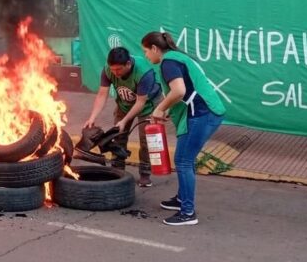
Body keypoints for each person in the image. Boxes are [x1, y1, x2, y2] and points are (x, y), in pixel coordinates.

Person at [141, 31, 226, 226]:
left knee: (183, 160)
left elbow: (179, 90)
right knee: (186, 159)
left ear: (155, 49)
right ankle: (181, 200)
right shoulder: (178, 57)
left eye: (146, 51)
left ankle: (187, 212)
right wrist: (169, 109)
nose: (146, 56)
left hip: (202, 114)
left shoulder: (168, 62)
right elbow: (185, 91)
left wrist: (160, 108)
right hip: (206, 111)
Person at [83, 47, 163, 187]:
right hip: (124, 104)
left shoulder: (144, 73)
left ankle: (145, 173)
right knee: (118, 135)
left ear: (128, 64)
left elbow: (140, 102)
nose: (115, 73)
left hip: (148, 106)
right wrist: (92, 117)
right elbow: (102, 94)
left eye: (118, 70)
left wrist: (124, 121)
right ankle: (117, 169)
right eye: (112, 70)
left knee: (146, 140)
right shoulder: (108, 70)